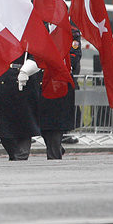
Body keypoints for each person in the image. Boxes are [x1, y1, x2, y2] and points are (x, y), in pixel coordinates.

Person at [39, 25, 81, 160]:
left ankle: (54, 153)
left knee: (56, 123)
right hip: (43, 81)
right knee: (43, 124)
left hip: (61, 82)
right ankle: (55, 147)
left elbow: (73, 57)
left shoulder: (71, 32)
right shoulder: (41, 28)